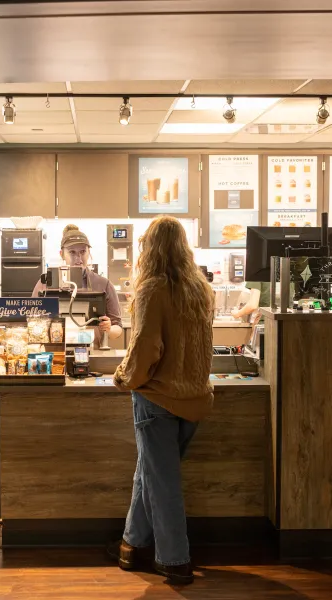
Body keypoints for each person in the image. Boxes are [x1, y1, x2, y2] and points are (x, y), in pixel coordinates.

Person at [111, 215, 215, 585]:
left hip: (158, 400)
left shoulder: (152, 288)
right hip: (194, 399)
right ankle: (132, 545)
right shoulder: (200, 289)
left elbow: (146, 348)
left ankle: (174, 560)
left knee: (163, 482)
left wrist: (124, 378)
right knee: (152, 474)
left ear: (148, 248)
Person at [32, 224, 122, 339]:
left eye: (83, 251)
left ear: (89, 252)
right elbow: (31, 320)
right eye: (72, 252)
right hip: (57, 352)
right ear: (62, 254)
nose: (78, 258)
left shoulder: (103, 284)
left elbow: (118, 328)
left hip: (92, 351)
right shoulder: (45, 283)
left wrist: (109, 329)